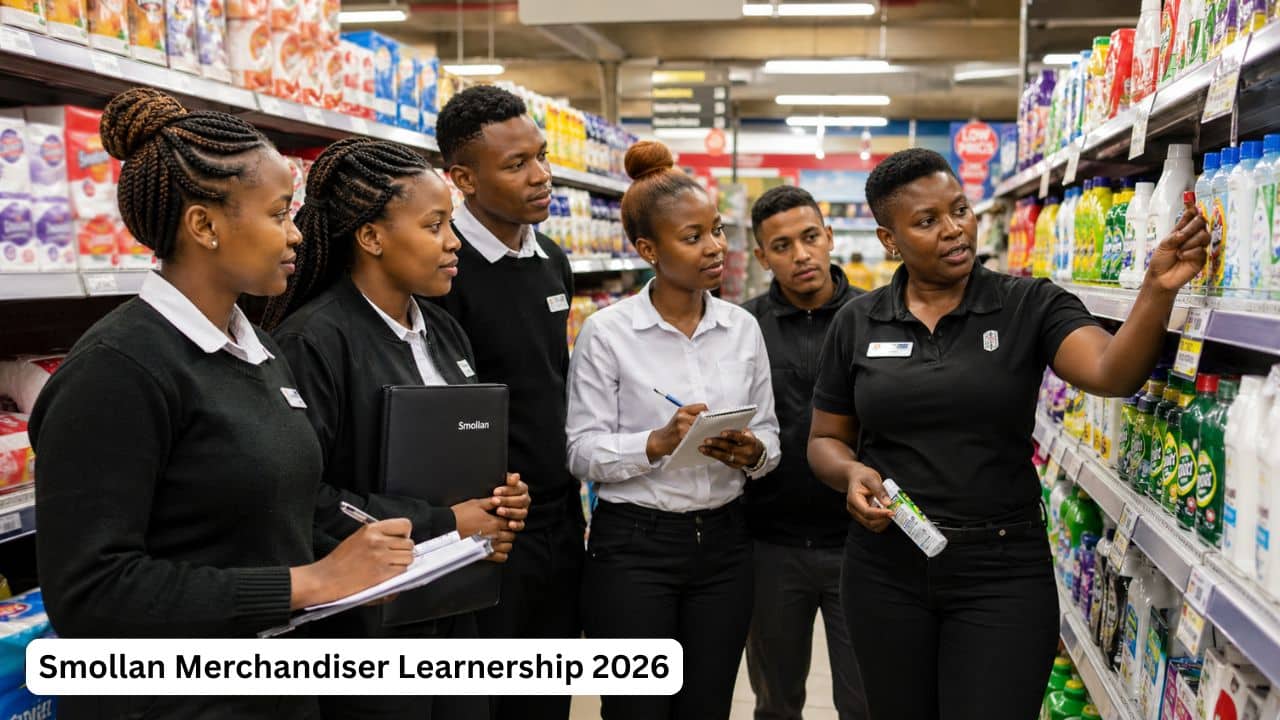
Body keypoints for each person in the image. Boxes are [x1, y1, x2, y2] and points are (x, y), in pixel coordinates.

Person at [28, 88, 415, 720]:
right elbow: (92, 593)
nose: (296, 234)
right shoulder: (116, 370)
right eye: (278, 213)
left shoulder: (257, 347)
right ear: (204, 226)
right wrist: (307, 582)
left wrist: (373, 556)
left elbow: (262, 518)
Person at [806, 148, 1210, 720]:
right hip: (886, 569)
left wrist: (1156, 290)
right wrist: (849, 473)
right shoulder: (857, 321)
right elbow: (825, 440)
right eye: (927, 221)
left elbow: (1111, 373)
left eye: (960, 209)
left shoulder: (1028, 304)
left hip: (1001, 570)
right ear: (889, 239)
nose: (954, 229)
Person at [261, 137, 531, 720]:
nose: (454, 242)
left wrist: (499, 502)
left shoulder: (443, 331)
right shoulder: (314, 342)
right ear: (372, 237)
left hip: (452, 604)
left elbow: (458, 450)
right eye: (434, 226)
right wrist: (446, 524)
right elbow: (304, 498)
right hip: (366, 628)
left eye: (450, 224)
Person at [566, 141, 781, 720]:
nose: (715, 246)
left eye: (716, 230)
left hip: (725, 547)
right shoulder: (608, 333)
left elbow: (770, 434)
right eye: (693, 237)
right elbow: (581, 451)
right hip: (633, 550)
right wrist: (657, 442)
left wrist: (753, 452)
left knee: (706, 706)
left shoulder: (743, 328)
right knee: (636, 710)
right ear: (648, 250)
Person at [433, 85, 581, 720]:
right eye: (516, 164)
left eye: (540, 156)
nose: (541, 175)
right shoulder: (445, 270)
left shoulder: (551, 259)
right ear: (464, 179)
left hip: (558, 516)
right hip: (488, 527)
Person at [740, 185, 867, 720]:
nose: (801, 255)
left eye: (810, 237)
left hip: (862, 544)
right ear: (761, 256)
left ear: (829, 236)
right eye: (782, 246)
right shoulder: (742, 328)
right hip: (770, 545)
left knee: (866, 701)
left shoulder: (876, 316)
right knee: (775, 701)